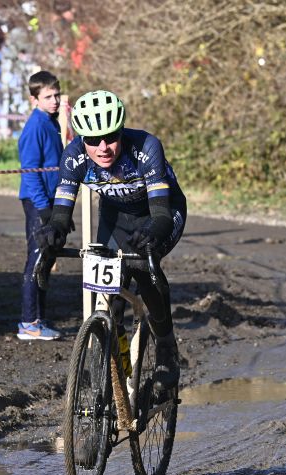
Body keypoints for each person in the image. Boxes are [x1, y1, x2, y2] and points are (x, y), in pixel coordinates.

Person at [36, 90, 187, 393]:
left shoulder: (146, 147)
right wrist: (54, 232)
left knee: (145, 271)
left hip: (159, 213)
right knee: (108, 290)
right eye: (93, 140)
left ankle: (167, 350)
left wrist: (154, 233)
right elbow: (61, 214)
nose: (103, 148)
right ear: (82, 139)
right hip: (115, 216)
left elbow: (160, 213)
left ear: (120, 131)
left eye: (110, 137)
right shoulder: (73, 156)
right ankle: (114, 359)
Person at [17, 71, 64, 341]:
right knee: (36, 260)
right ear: (35, 99)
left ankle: (39, 318)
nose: (54, 100)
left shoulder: (51, 122)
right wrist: (43, 207)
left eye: (56, 95)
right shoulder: (35, 126)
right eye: (48, 96)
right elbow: (30, 170)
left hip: (51, 200)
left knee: (47, 260)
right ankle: (28, 322)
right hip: (38, 202)